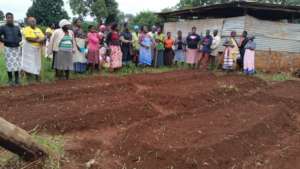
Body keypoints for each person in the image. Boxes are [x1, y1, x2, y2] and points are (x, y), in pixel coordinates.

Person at [0, 12, 22, 86]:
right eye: (8, 18)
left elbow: (20, 36)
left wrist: (18, 40)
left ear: (13, 18)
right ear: (6, 19)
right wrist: (5, 41)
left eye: (11, 17)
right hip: (8, 48)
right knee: (9, 65)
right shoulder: (3, 27)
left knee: (17, 64)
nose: (10, 19)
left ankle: (16, 80)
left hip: (17, 48)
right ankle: (10, 80)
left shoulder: (17, 27)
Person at [22, 17, 45, 81]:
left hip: (37, 49)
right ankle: (28, 77)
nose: (34, 22)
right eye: (32, 21)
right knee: (28, 62)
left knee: (37, 62)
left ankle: (37, 76)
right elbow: (28, 38)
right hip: (28, 50)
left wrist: (39, 39)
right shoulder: (26, 29)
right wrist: (37, 39)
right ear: (28, 22)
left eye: (34, 21)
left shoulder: (38, 29)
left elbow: (43, 37)